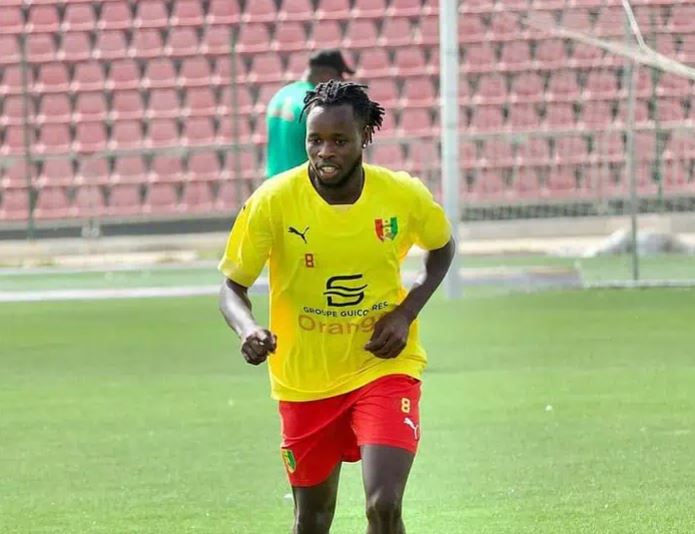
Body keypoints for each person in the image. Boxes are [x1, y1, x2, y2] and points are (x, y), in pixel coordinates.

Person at [219, 81, 455, 534]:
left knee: (383, 506)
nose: (325, 151)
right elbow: (231, 288)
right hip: (304, 380)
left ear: (365, 135)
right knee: (313, 519)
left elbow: (441, 250)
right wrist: (248, 329)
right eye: (315, 140)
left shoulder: (402, 196)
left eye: (339, 140)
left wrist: (405, 313)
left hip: (382, 367)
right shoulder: (273, 201)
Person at [264, 49, 355, 179]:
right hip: (300, 184)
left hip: (273, 183)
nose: (342, 82)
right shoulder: (317, 103)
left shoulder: (280, 95)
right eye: (339, 76)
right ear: (326, 74)